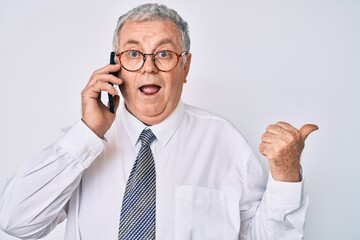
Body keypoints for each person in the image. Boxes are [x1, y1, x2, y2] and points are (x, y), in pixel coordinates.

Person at [0, 3, 318, 240]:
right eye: (134, 54)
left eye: (164, 54)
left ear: (186, 67)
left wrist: (286, 176)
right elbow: (16, 220)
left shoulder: (225, 141)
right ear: (115, 66)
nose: (148, 68)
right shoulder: (81, 147)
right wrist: (88, 133)